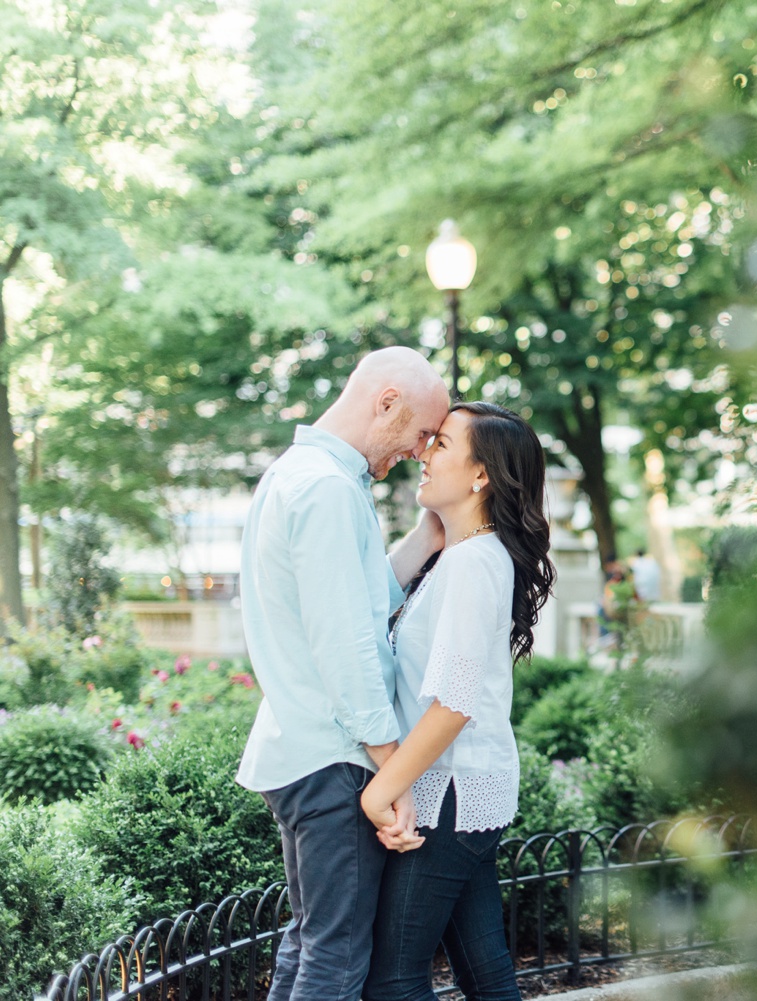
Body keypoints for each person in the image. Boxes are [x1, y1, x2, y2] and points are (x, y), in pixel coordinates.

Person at [235, 346, 452, 1001]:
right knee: (336, 958)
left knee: (311, 942)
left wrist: (427, 537)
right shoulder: (327, 488)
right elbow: (347, 645)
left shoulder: (300, 475)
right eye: (419, 434)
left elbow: (353, 599)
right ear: (385, 401)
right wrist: (393, 770)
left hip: (300, 748)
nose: (420, 453)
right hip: (334, 758)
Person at [359, 401, 557, 1001]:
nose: (423, 453)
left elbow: (454, 703)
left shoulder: (474, 562)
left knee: (392, 981)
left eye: (441, 444)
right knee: (484, 970)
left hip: (450, 793)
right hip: (459, 790)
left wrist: (380, 789)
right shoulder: (465, 555)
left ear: (481, 476)